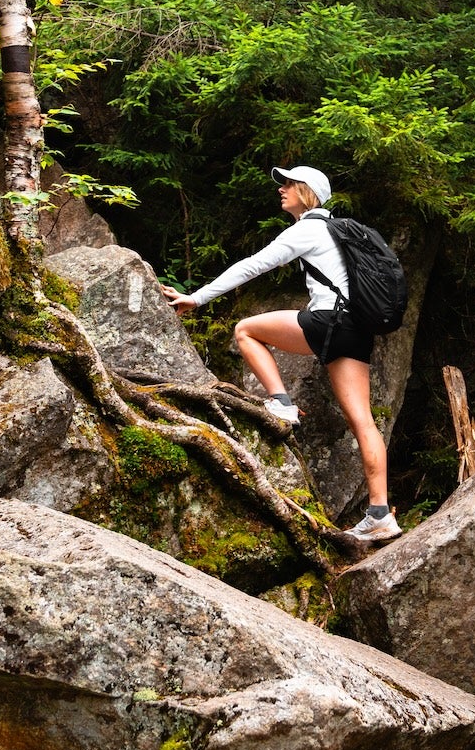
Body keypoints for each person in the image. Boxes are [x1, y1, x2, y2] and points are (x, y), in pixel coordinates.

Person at [160, 165, 400, 542]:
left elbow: (253, 265)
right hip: (356, 331)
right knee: (364, 423)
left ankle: (281, 402)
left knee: (246, 330)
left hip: (327, 321)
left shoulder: (308, 229)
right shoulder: (338, 232)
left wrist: (197, 297)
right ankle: (380, 514)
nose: (282, 190)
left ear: (307, 191)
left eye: (288, 184)